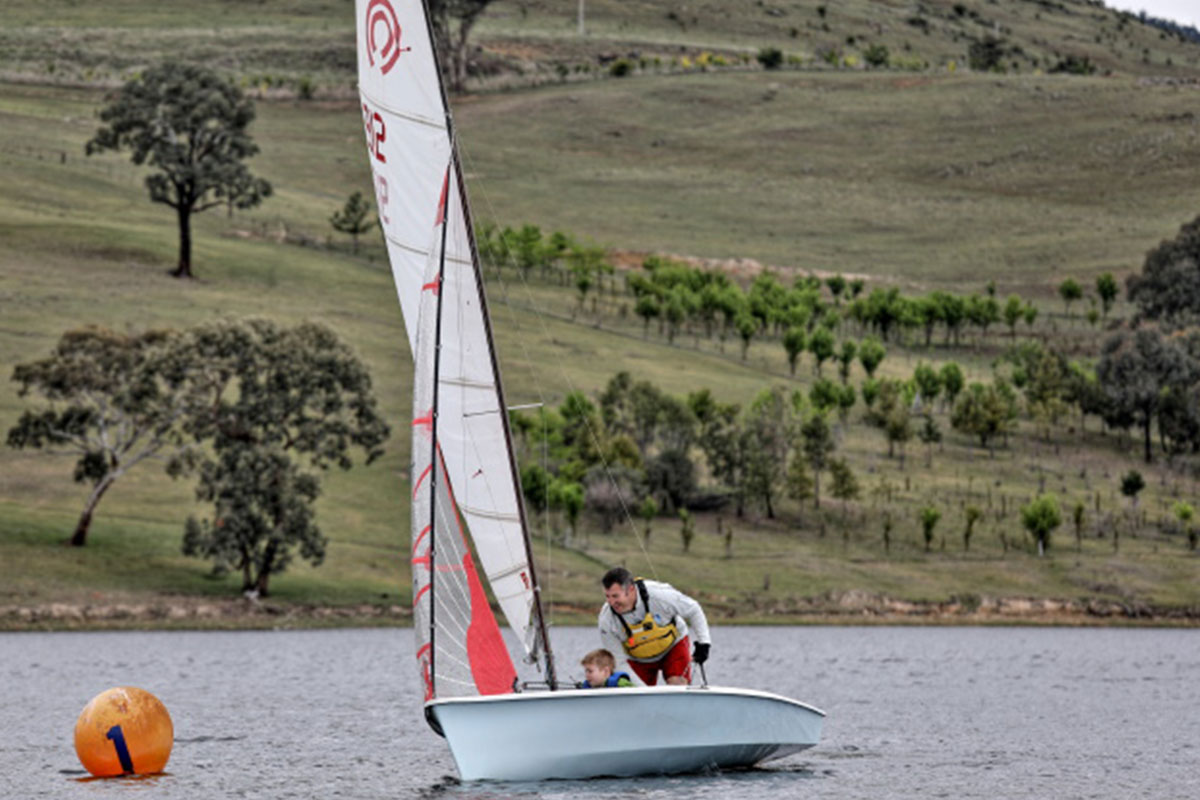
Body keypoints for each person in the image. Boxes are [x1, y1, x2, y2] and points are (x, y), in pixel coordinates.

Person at [598, 566, 711, 686]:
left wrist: (704, 643)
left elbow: (693, 609)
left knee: (677, 685)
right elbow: (618, 661)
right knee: (638, 697)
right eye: (607, 596)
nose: (611, 602)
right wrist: (643, 691)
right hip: (637, 658)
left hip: (673, 645)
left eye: (615, 596)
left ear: (631, 589)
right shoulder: (606, 619)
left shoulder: (660, 596)